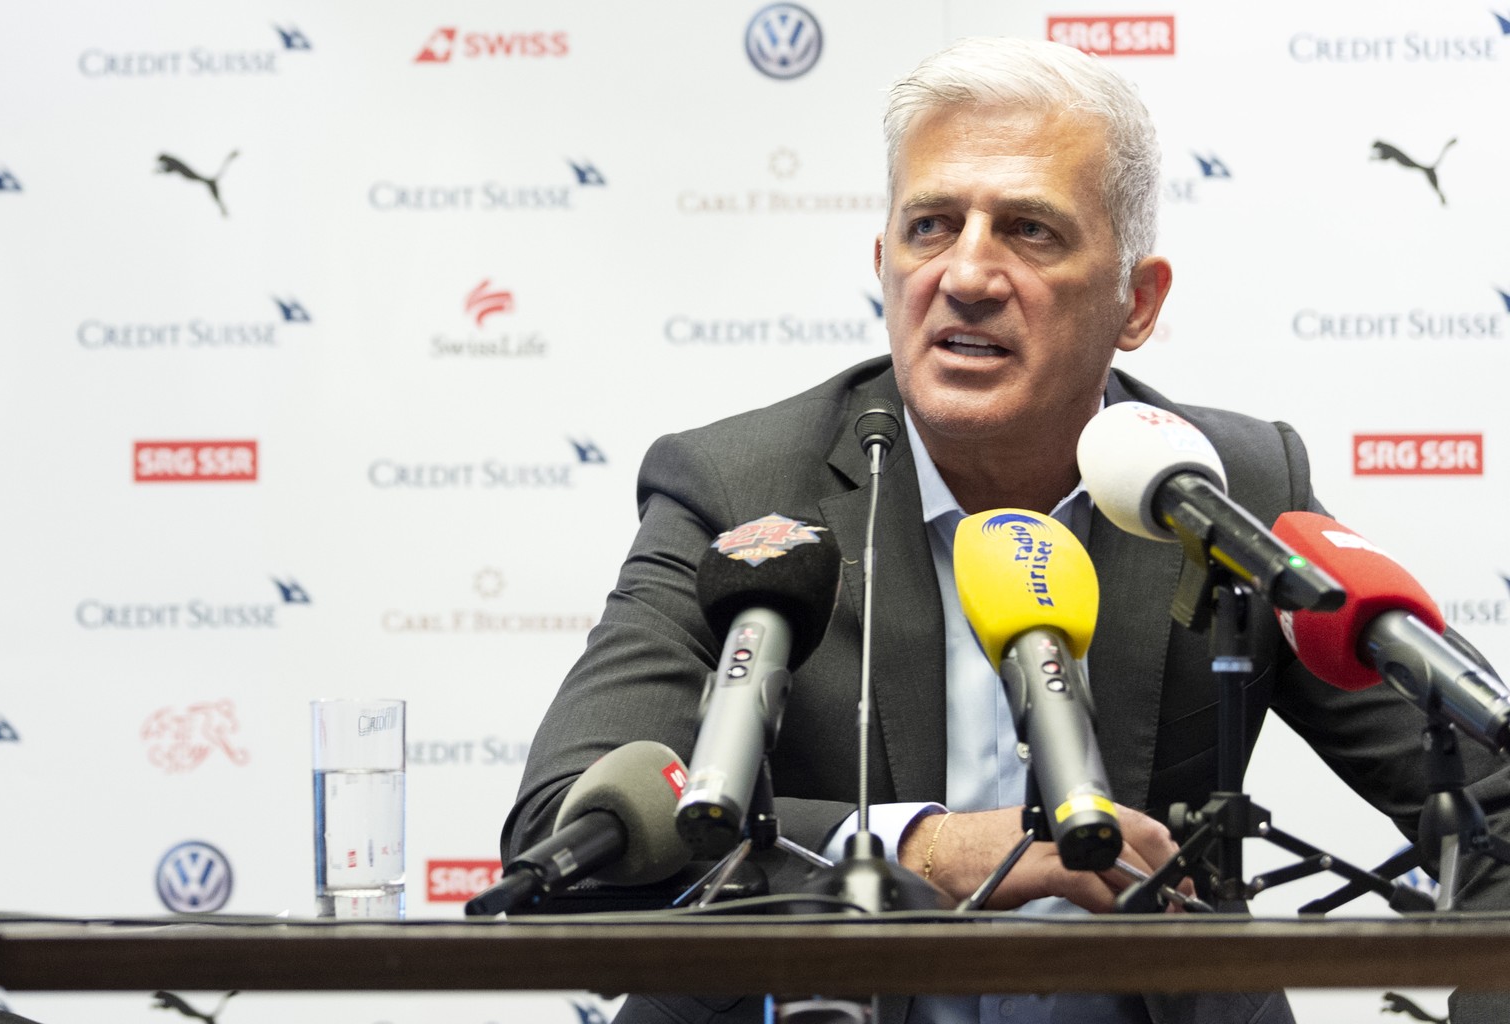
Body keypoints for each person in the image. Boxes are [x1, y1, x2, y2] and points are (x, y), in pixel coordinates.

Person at [503, 36, 1510, 1024]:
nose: (968, 274)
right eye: (932, 226)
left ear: (1138, 302)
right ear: (884, 265)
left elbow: (1497, 795)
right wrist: (921, 850)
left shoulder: (1219, 488)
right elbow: (567, 822)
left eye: (1030, 230)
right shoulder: (742, 490)